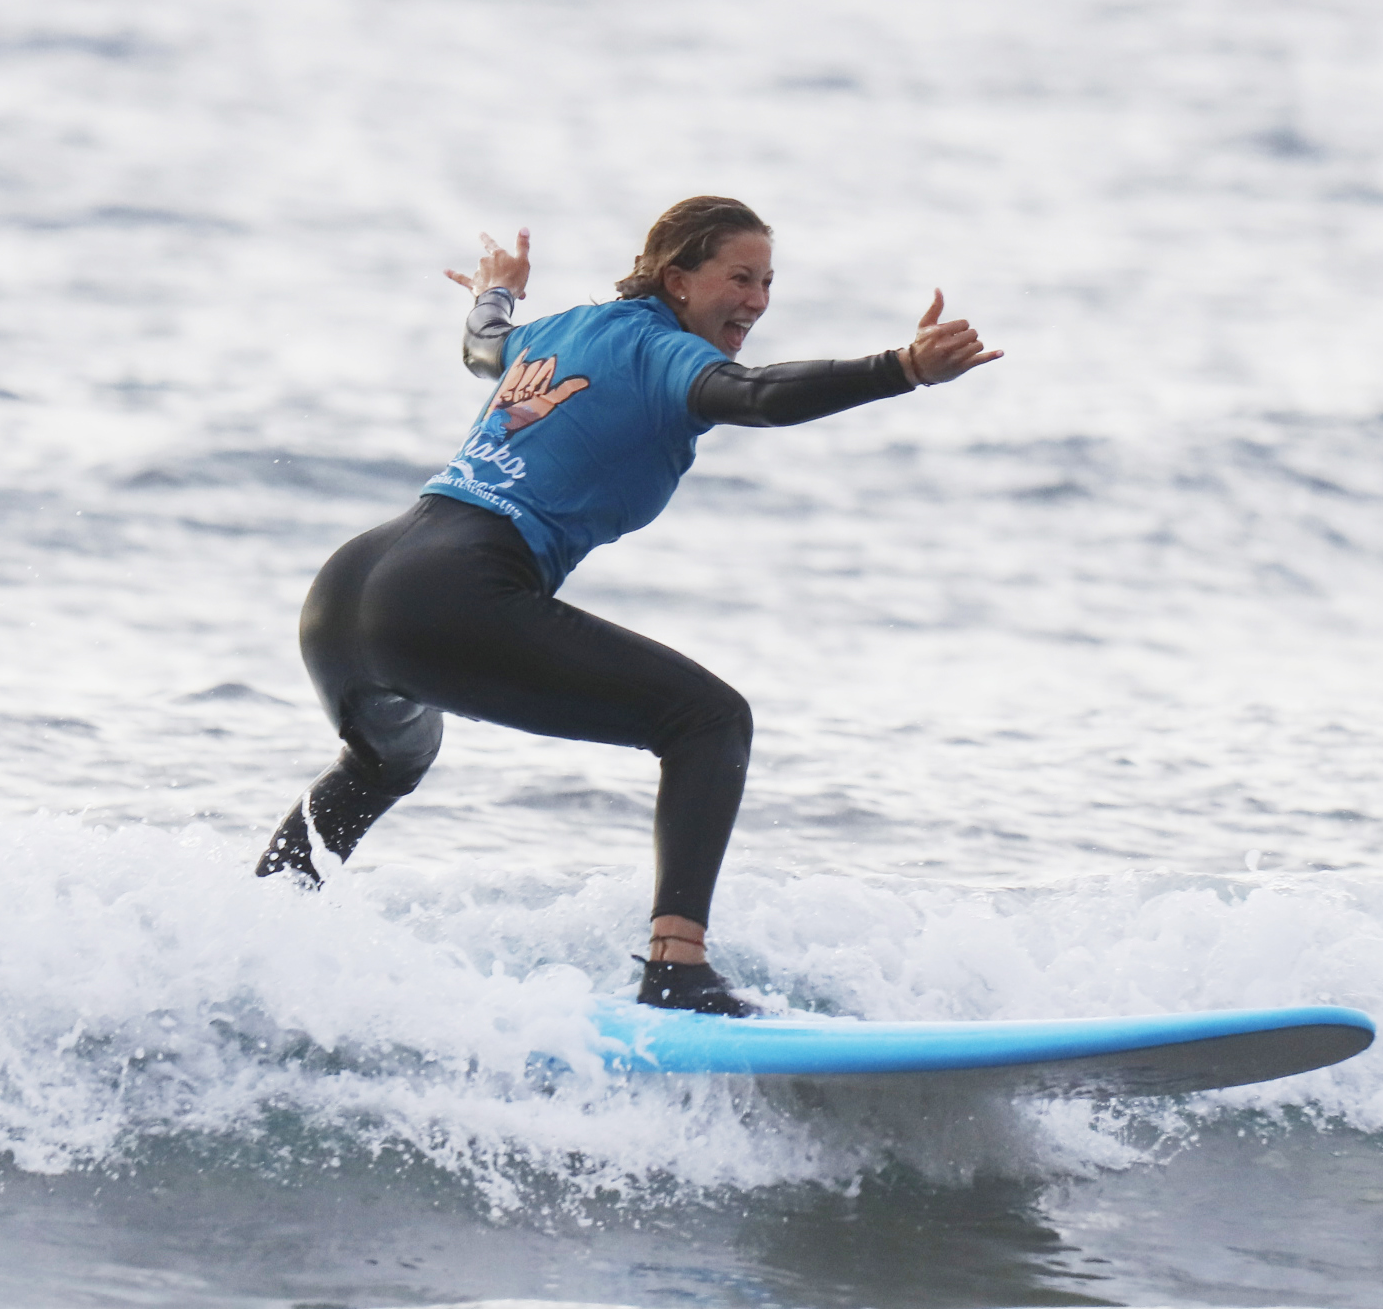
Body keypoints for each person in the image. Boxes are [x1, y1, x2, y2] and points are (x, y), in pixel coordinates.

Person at [254, 197, 1000, 1013]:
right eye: (739, 279)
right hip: (450, 594)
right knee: (709, 722)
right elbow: (754, 396)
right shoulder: (662, 352)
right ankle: (677, 971)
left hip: (348, 590)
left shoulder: (566, 329)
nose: (756, 301)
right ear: (678, 280)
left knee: (384, 762)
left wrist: (494, 295)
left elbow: (483, 351)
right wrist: (902, 368)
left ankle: (255, 937)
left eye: (767, 283)